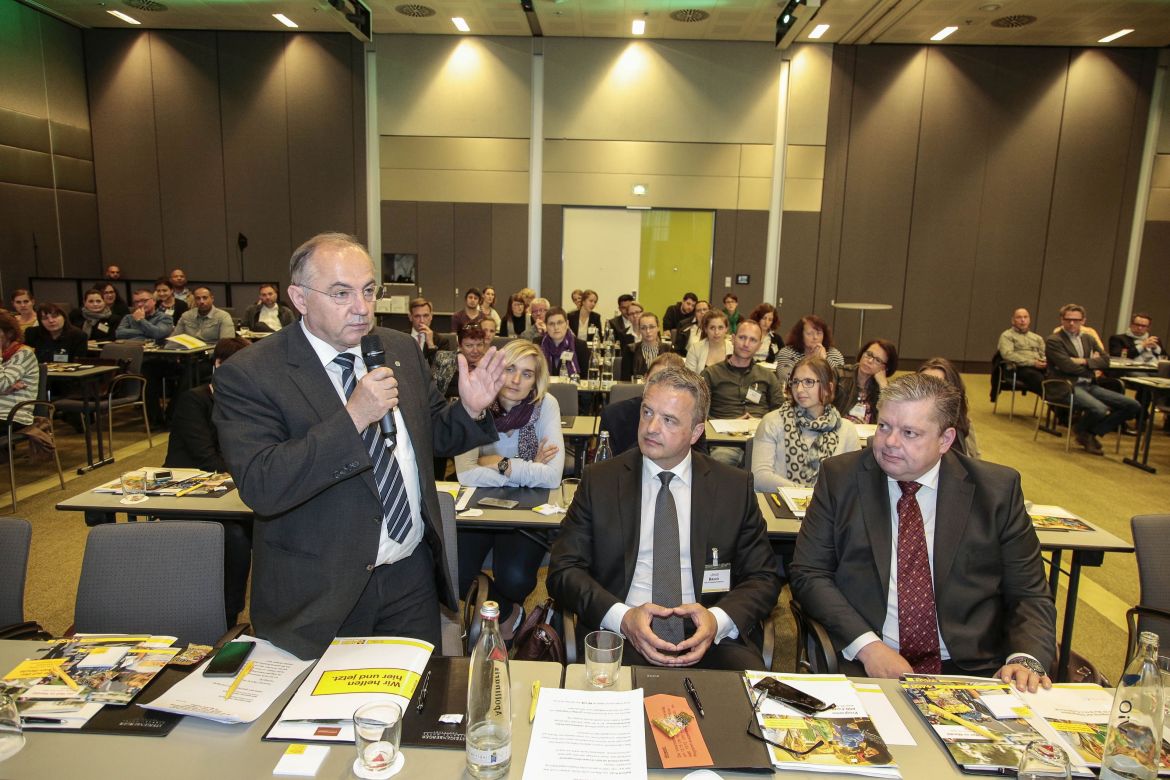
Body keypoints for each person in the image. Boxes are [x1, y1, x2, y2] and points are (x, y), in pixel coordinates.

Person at [212, 232, 506, 660]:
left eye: (369, 291)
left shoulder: (397, 347)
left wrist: (472, 411)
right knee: (319, 720)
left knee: (410, 711)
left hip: (410, 575)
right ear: (299, 297)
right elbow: (263, 485)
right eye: (341, 293)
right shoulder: (251, 374)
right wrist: (354, 417)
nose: (362, 308)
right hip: (320, 591)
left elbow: (432, 436)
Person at [790, 373, 1056, 690]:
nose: (890, 441)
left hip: (973, 668)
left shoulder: (996, 491)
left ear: (945, 440)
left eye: (909, 433)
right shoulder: (840, 478)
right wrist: (868, 646)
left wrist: (1024, 659)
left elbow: (1029, 593)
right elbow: (809, 572)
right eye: (884, 426)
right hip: (867, 661)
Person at [548, 366, 781, 669]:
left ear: (696, 432)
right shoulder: (601, 480)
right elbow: (563, 570)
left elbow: (763, 577)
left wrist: (717, 620)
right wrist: (622, 617)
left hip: (708, 638)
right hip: (620, 635)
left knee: (745, 708)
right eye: (647, 412)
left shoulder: (732, 487)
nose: (651, 427)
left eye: (668, 420)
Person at [455, 340, 564, 638]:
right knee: (452, 572)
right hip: (478, 505)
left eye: (527, 374)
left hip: (527, 508)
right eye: (510, 369)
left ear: (536, 380)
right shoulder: (474, 403)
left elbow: (553, 477)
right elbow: (465, 472)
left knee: (516, 579)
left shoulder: (546, 406)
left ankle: (502, 613)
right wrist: (525, 469)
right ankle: (507, 613)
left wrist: (498, 463)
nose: (516, 380)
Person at [164, 336, 252, 624]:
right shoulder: (194, 400)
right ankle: (228, 614)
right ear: (217, 365)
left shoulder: (244, 403)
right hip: (189, 491)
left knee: (273, 527)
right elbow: (207, 458)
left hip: (229, 491)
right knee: (236, 538)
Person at [753, 356, 860, 492]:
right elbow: (760, 477)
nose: (799, 389)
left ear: (828, 387)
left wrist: (820, 501)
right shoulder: (773, 422)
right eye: (796, 382)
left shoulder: (846, 430)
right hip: (779, 505)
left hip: (828, 509)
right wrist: (805, 494)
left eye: (809, 382)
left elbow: (853, 480)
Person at [1045, 303, 1140, 455]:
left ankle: (1088, 432)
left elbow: (1106, 360)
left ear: (1083, 321)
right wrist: (1091, 367)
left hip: (1089, 385)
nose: (1071, 323)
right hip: (1066, 386)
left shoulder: (1089, 338)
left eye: (1076, 320)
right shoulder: (1054, 340)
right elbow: (1066, 366)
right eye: (1068, 319)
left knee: (1132, 405)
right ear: (1061, 320)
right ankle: (1084, 432)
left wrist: (1083, 361)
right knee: (1099, 409)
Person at [700, 319, 783, 466]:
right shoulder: (711, 374)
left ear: (759, 345)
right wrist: (729, 425)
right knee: (720, 462)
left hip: (761, 438)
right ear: (732, 338)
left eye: (752, 340)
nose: (746, 344)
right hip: (724, 440)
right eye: (742, 337)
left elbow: (780, 412)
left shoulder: (768, 376)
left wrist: (761, 422)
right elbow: (700, 412)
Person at [600, 353, 708, 456]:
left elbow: (699, 464)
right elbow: (607, 468)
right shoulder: (613, 416)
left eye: (672, 385)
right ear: (645, 379)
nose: (651, 428)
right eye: (654, 381)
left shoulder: (689, 419)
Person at [918, 357, 980, 459]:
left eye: (937, 387)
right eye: (922, 386)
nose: (928, 393)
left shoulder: (964, 423)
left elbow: (975, 460)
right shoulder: (904, 425)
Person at [834, 339, 898, 424]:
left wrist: (883, 386)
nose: (870, 361)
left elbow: (892, 417)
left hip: (868, 434)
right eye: (869, 354)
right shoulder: (840, 374)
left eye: (878, 360)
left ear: (885, 368)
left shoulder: (882, 387)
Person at [774, 314, 845, 386]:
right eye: (810, 333)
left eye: (819, 333)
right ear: (800, 335)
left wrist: (824, 361)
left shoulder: (833, 353)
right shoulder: (788, 352)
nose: (815, 337)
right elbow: (787, 379)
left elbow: (840, 380)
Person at [0, 312, 39, 428]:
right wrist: (6, 388)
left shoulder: (23, 354)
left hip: (11, 415)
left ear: (9, 333)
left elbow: (2, 384)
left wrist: (5, 388)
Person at [997, 308, 1046, 396]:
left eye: (1025, 317)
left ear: (1029, 320)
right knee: (1038, 379)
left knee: (1056, 377)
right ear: (1013, 320)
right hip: (1017, 368)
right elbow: (1008, 355)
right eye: (1019, 317)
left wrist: (1044, 361)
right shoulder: (1007, 335)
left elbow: (1044, 354)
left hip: (1039, 367)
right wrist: (1032, 363)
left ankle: (1059, 403)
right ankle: (1051, 401)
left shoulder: (1037, 338)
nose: (1023, 320)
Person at [434, 324, 487, 399]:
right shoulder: (445, 361)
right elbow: (433, 396)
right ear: (459, 346)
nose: (475, 351)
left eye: (479, 345)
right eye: (469, 346)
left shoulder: (489, 364)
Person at [538, 307, 588, 378]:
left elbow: (585, 378)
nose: (556, 327)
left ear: (567, 324)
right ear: (546, 326)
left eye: (560, 323)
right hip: (544, 388)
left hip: (571, 388)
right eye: (551, 324)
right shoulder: (538, 344)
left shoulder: (580, 346)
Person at [683, 310, 732, 374]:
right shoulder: (695, 349)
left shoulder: (733, 349)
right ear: (706, 329)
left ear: (726, 329)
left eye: (720, 328)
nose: (716, 332)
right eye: (712, 328)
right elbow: (689, 378)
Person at [629, 311, 665, 379]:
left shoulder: (668, 350)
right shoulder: (630, 350)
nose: (648, 331)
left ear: (658, 328)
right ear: (639, 330)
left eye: (651, 327)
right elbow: (625, 380)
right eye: (643, 328)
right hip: (637, 388)